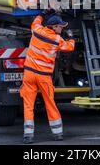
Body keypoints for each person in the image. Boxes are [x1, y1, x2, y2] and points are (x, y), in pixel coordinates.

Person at [20, 9, 75, 144]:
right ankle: (57, 134)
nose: (62, 29)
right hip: (43, 77)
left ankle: (28, 135)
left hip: (29, 75)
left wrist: (43, 14)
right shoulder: (57, 40)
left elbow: (36, 21)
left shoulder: (36, 30)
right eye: (61, 27)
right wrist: (71, 37)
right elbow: (70, 47)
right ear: (54, 27)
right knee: (50, 103)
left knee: (28, 104)